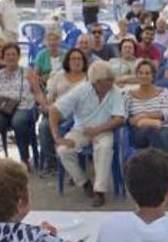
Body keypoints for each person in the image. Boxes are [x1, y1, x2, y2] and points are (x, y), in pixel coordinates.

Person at [49, 61, 125, 207]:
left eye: (111, 79)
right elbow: (54, 109)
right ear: (95, 82)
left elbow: (119, 119)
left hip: (104, 130)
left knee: (104, 147)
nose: (110, 83)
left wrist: (97, 130)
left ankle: (99, 191)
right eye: (106, 81)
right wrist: (57, 136)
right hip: (81, 130)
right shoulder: (81, 90)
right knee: (63, 150)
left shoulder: (115, 91)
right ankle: (84, 182)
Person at [0, 44, 47, 167]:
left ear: (18, 57)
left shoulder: (27, 72)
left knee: (19, 122)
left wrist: (43, 104)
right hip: (1, 108)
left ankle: (24, 159)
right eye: (8, 55)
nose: (11, 57)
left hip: (23, 106)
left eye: (14, 54)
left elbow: (37, 92)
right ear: (3, 57)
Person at [40, 48, 88, 177]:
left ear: (84, 62)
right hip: (58, 111)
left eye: (79, 59)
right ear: (67, 61)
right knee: (44, 126)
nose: (76, 62)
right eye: (73, 59)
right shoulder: (59, 76)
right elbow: (49, 98)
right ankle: (51, 164)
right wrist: (50, 106)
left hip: (79, 114)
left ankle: (73, 166)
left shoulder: (89, 78)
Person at [125, 60, 168, 153]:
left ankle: (162, 164)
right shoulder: (129, 95)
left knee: (159, 137)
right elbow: (124, 118)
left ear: (153, 76)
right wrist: (138, 121)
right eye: (140, 73)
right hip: (140, 133)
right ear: (137, 75)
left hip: (166, 128)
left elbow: (166, 114)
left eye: (147, 73)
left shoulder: (164, 92)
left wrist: (144, 116)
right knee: (151, 131)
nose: (143, 76)